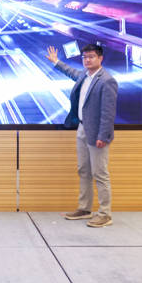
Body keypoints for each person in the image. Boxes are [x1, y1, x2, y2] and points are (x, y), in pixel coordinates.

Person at [47, 42, 117, 228]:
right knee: (84, 170)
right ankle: (85, 208)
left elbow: (108, 113)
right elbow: (71, 72)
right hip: (82, 128)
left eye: (91, 57)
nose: (87, 60)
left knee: (100, 173)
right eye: (85, 57)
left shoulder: (106, 81)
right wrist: (56, 62)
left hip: (97, 133)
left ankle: (105, 214)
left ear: (100, 58)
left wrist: (103, 136)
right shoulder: (84, 76)